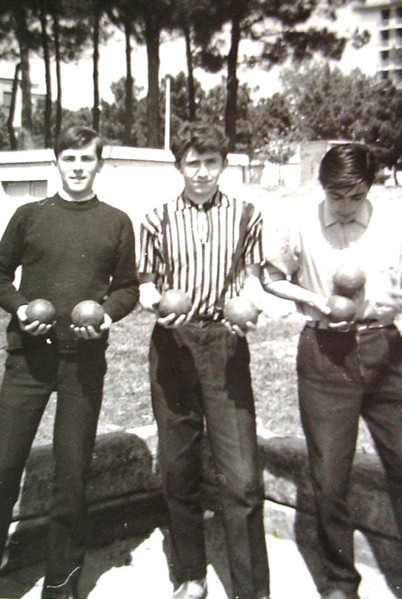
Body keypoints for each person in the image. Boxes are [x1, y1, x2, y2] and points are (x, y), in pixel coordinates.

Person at [0, 126, 138, 599]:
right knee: (2, 464)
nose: (78, 167)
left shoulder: (117, 221)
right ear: (55, 162)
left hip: (82, 360)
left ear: (100, 164)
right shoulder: (28, 215)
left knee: (71, 475)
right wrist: (20, 308)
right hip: (27, 359)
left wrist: (105, 316)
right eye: (70, 158)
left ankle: (61, 584)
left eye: (87, 159)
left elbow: (127, 289)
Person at [263, 142, 402, 599]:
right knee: (329, 476)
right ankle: (342, 581)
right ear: (322, 188)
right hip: (325, 351)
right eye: (335, 195)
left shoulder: (394, 221)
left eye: (355, 196)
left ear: (371, 187)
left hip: (385, 348)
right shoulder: (300, 222)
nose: (344, 206)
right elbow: (272, 277)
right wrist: (317, 301)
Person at [138, 121, 270, 599]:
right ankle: (190, 575)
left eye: (210, 162)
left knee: (241, 476)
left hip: (225, 340)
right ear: (179, 165)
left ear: (223, 164)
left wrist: (250, 306)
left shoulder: (246, 213)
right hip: (173, 344)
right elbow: (148, 282)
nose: (201, 172)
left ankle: (251, 589)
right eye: (192, 163)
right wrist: (158, 305)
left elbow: (253, 276)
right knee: (177, 466)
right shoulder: (155, 218)